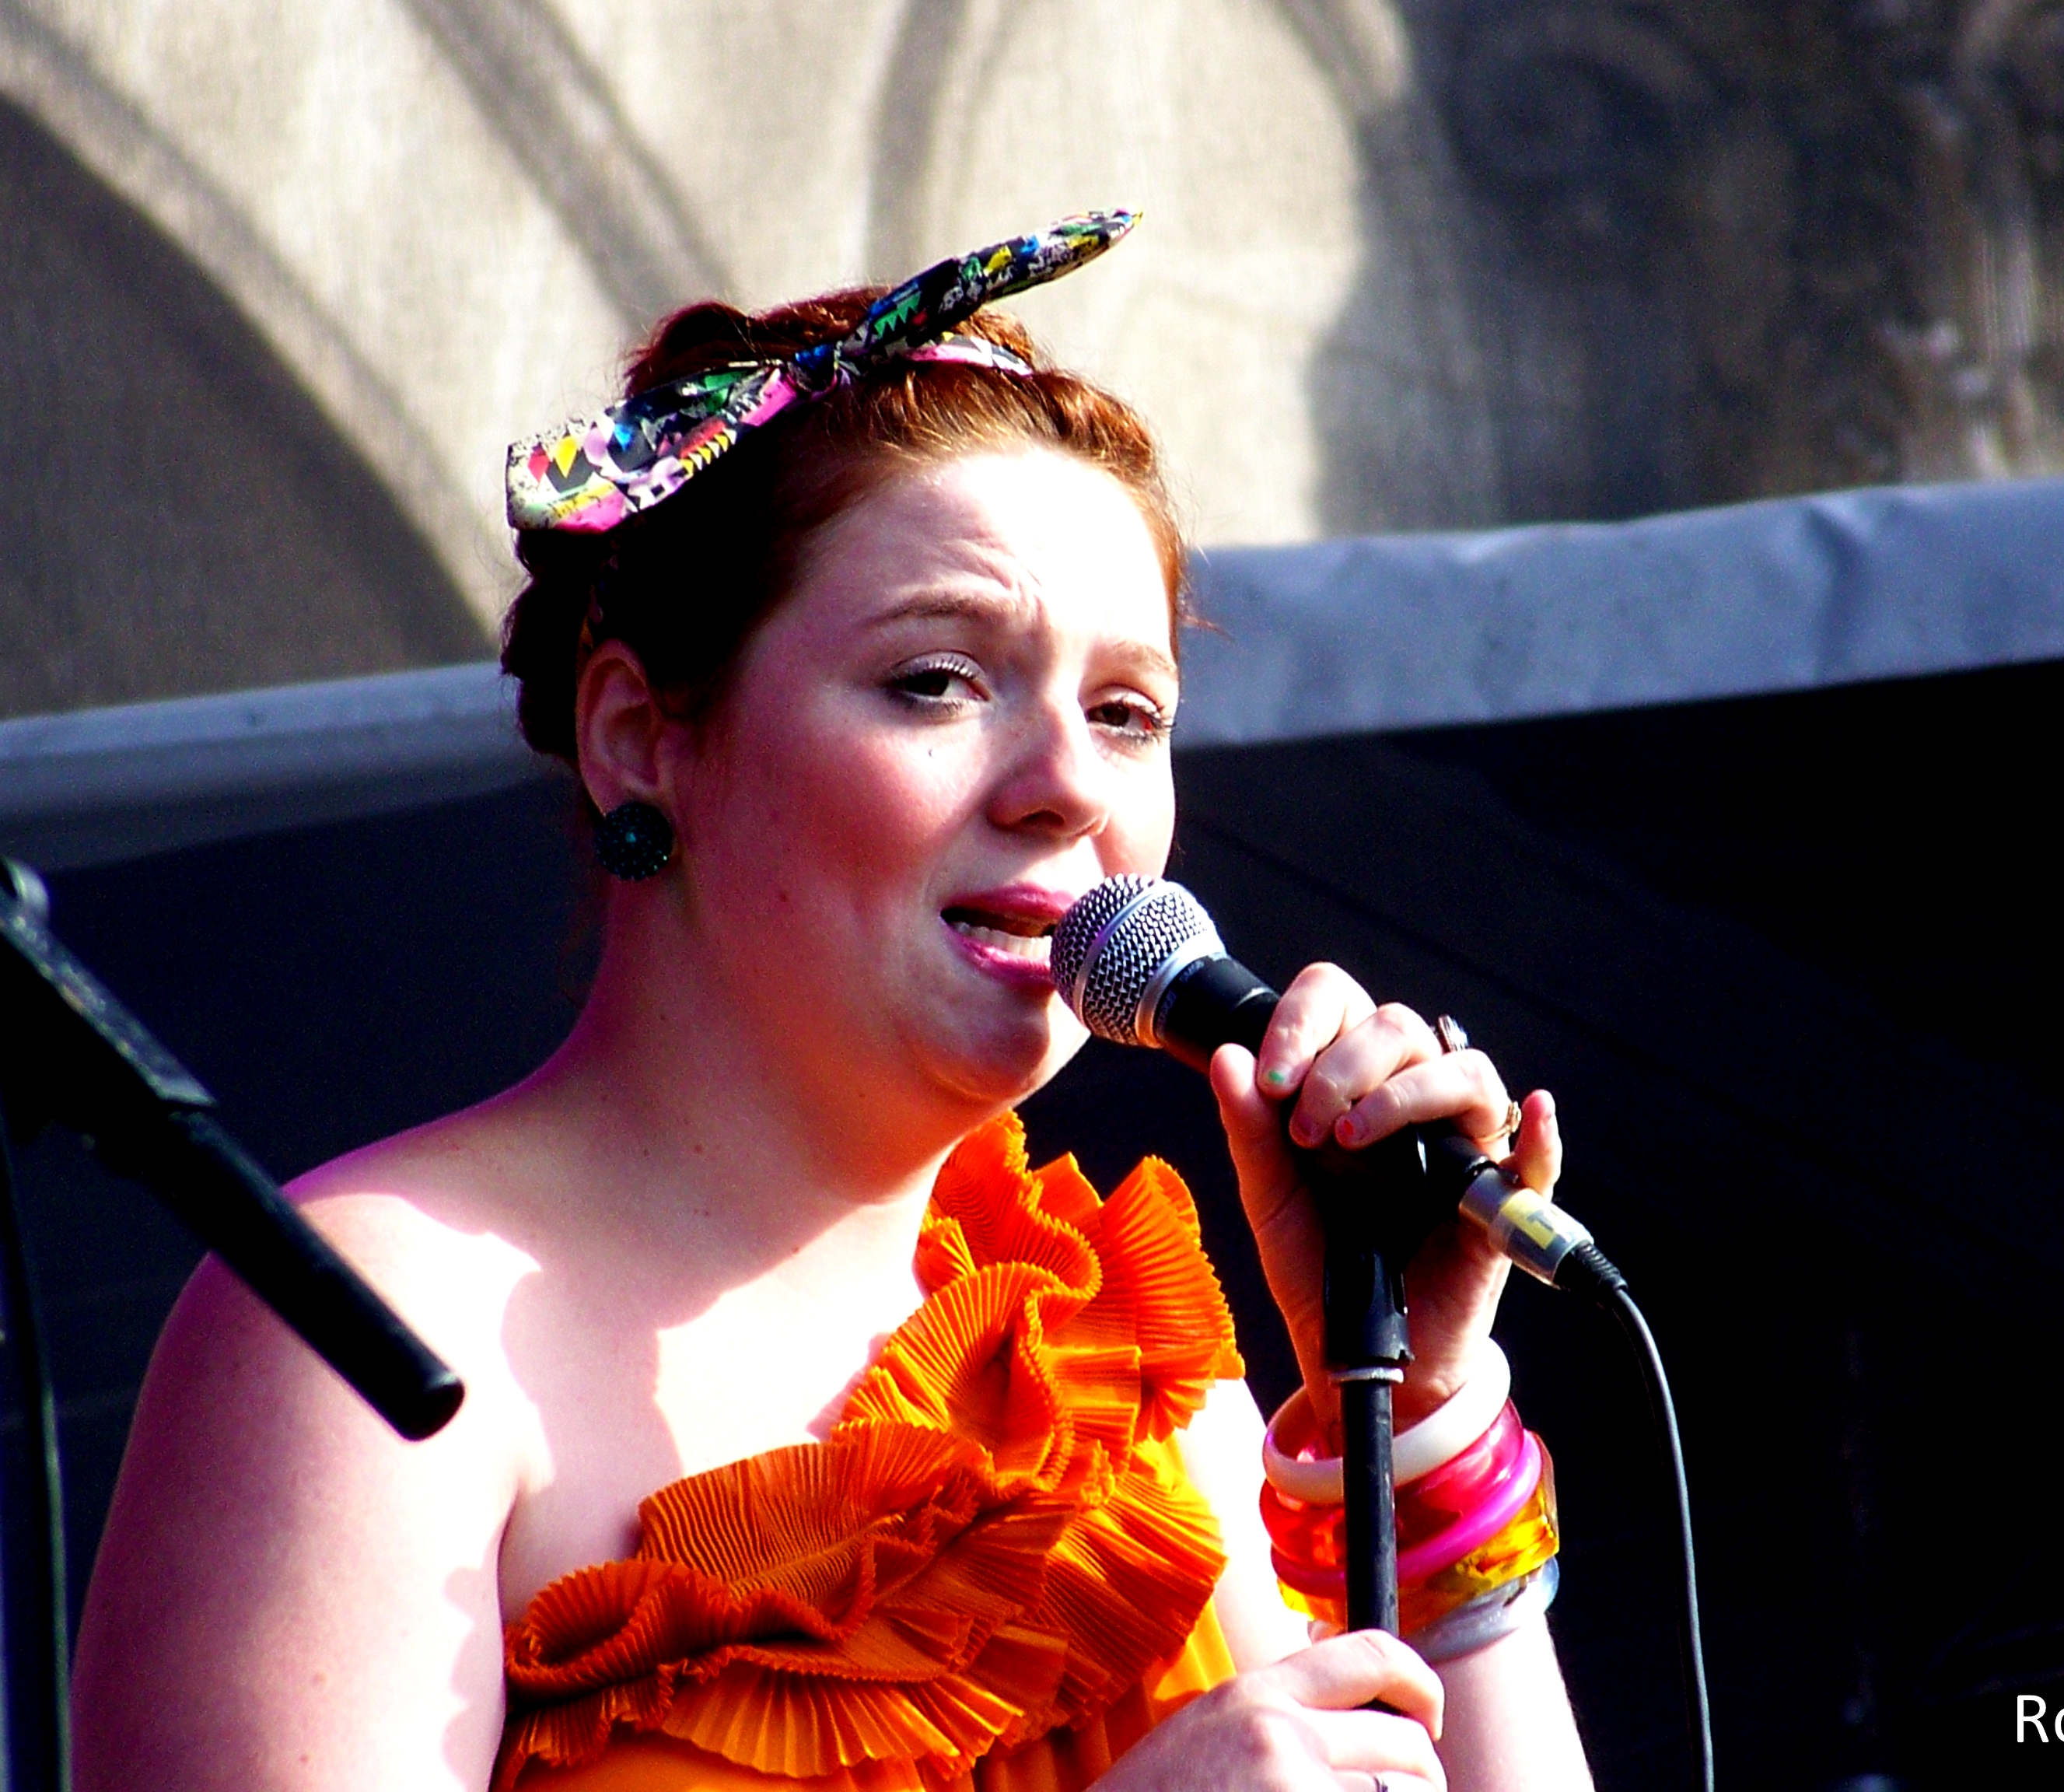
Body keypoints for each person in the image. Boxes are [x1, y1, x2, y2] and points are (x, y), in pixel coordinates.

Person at [71, 215, 1595, 1792]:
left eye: (1126, 712)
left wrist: (1418, 1411)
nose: (1068, 785)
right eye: (938, 679)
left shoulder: (1124, 1374)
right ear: (639, 736)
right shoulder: (365, 1323)